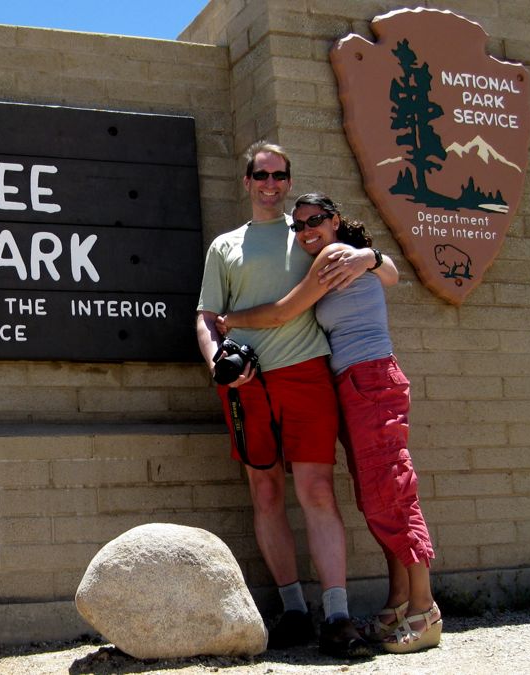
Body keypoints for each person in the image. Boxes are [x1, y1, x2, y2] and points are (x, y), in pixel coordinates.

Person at [215, 192, 441, 654]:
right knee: (375, 493)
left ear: (335, 221)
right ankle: (398, 601)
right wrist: (374, 257)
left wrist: (228, 320)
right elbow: (389, 273)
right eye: (297, 226)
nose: (305, 231)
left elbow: (282, 313)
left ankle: (425, 608)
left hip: (371, 379)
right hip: (353, 384)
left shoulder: (336, 256)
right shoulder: (345, 256)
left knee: (392, 492)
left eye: (314, 220)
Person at [195, 142, 374, 659]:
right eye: (261, 174)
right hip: (248, 384)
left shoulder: (312, 238)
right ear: (247, 181)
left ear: (289, 181)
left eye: (280, 175)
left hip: (306, 376)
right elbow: (208, 317)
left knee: (317, 491)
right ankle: (294, 609)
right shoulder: (224, 247)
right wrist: (217, 366)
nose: (270, 183)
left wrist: (371, 257)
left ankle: (338, 616)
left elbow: (368, 261)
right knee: (266, 493)